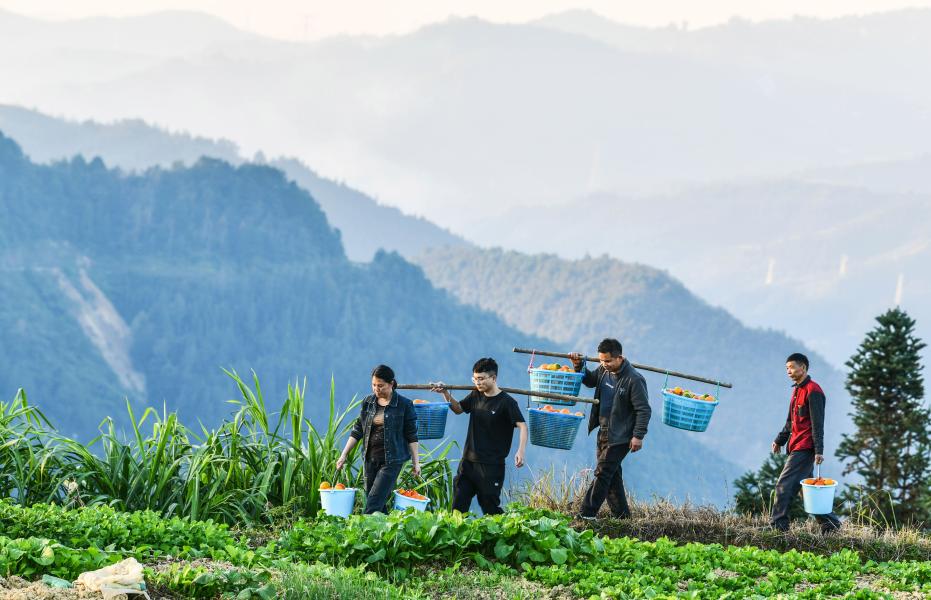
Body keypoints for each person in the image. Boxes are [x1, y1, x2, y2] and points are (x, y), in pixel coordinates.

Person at [431, 357, 528, 515]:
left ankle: (507, 529)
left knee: (490, 510)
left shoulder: (506, 402)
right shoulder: (475, 395)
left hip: (492, 466)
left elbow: (522, 426)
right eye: (475, 379)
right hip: (468, 463)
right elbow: (458, 409)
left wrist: (521, 451)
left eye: (481, 379)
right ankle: (455, 532)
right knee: (457, 507)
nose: (478, 383)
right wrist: (445, 393)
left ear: (493, 378)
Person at [570, 338, 651, 520]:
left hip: (621, 436)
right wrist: (578, 365)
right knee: (611, 475)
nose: (604, 364)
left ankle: (586, 514)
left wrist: (638, 436)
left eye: (608, 361)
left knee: (603, 472)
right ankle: (622, 517)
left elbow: (644, 410)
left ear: (619, 357)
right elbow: (590, 380)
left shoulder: (634, 379)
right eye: (601, 360)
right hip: (603, 431)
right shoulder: (603, 371)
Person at [770, 353, 841, 533]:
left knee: (783, 486)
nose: (788, 371)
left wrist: (819, 450)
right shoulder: (796, 390)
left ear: (803, 368)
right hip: (795, 445)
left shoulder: (813, 390)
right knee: (809, 492)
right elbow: (791, 421)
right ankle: (831, 525)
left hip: (805, 447)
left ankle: (778, 526)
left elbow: (818, 423)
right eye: (787, 368)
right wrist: (779, 440)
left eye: (792, 367)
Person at [336, 364, 420, 514]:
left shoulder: (404, 405)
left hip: (392, 461)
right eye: (374, 385)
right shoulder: (368, 402)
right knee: (379, 505)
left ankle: (363, 528)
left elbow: (411, 435)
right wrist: (344, 455)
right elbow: (358, 430)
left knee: (373, 503)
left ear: (391, 383)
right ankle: (386, 528)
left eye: (380, 385)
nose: (376, 389)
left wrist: (416, 463)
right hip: (370, 459)